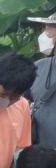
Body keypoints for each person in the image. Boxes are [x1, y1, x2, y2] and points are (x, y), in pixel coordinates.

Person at [28, 14, 56, 146]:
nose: (44, 34)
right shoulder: (38, 67)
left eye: (49, 29)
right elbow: (22, 101)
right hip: (42, 154)